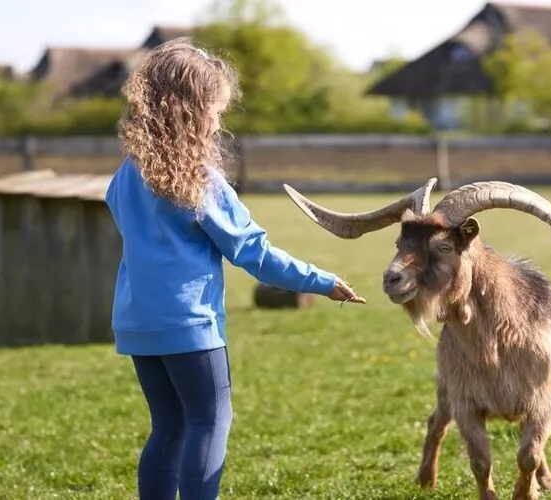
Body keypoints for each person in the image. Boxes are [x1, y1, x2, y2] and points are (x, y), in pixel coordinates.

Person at [104, 38, 365, 500]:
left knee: (168, 427)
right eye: (215, 110)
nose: (218, 121)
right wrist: (321, 281)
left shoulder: (128, 172)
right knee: (210, 420)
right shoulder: (200, 179)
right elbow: (255, 255)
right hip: (190, 327)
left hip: (138, 322)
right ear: (192, 109)